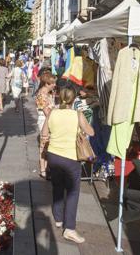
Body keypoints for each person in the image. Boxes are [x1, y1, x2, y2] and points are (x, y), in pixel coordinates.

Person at [41, 87, 94, 244]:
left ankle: (58, 218)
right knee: (72, 192)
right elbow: (91, 132)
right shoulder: (77, 115)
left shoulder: (52, 113)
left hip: (53, 156)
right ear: (73, 99)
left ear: (59, 97)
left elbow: (44, 134)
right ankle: (69, 229)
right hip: (70, 158)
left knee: (57, 186)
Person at [35, 72, 57, 179]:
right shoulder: (42, 94)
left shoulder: (48, 93)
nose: (54, 85)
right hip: (45, 121)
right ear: (46, 83)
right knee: (44, 145)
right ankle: (43, 170)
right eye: (52, 83)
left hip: (49, 120)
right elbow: (46, 112)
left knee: (48, 145)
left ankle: (47, 168)